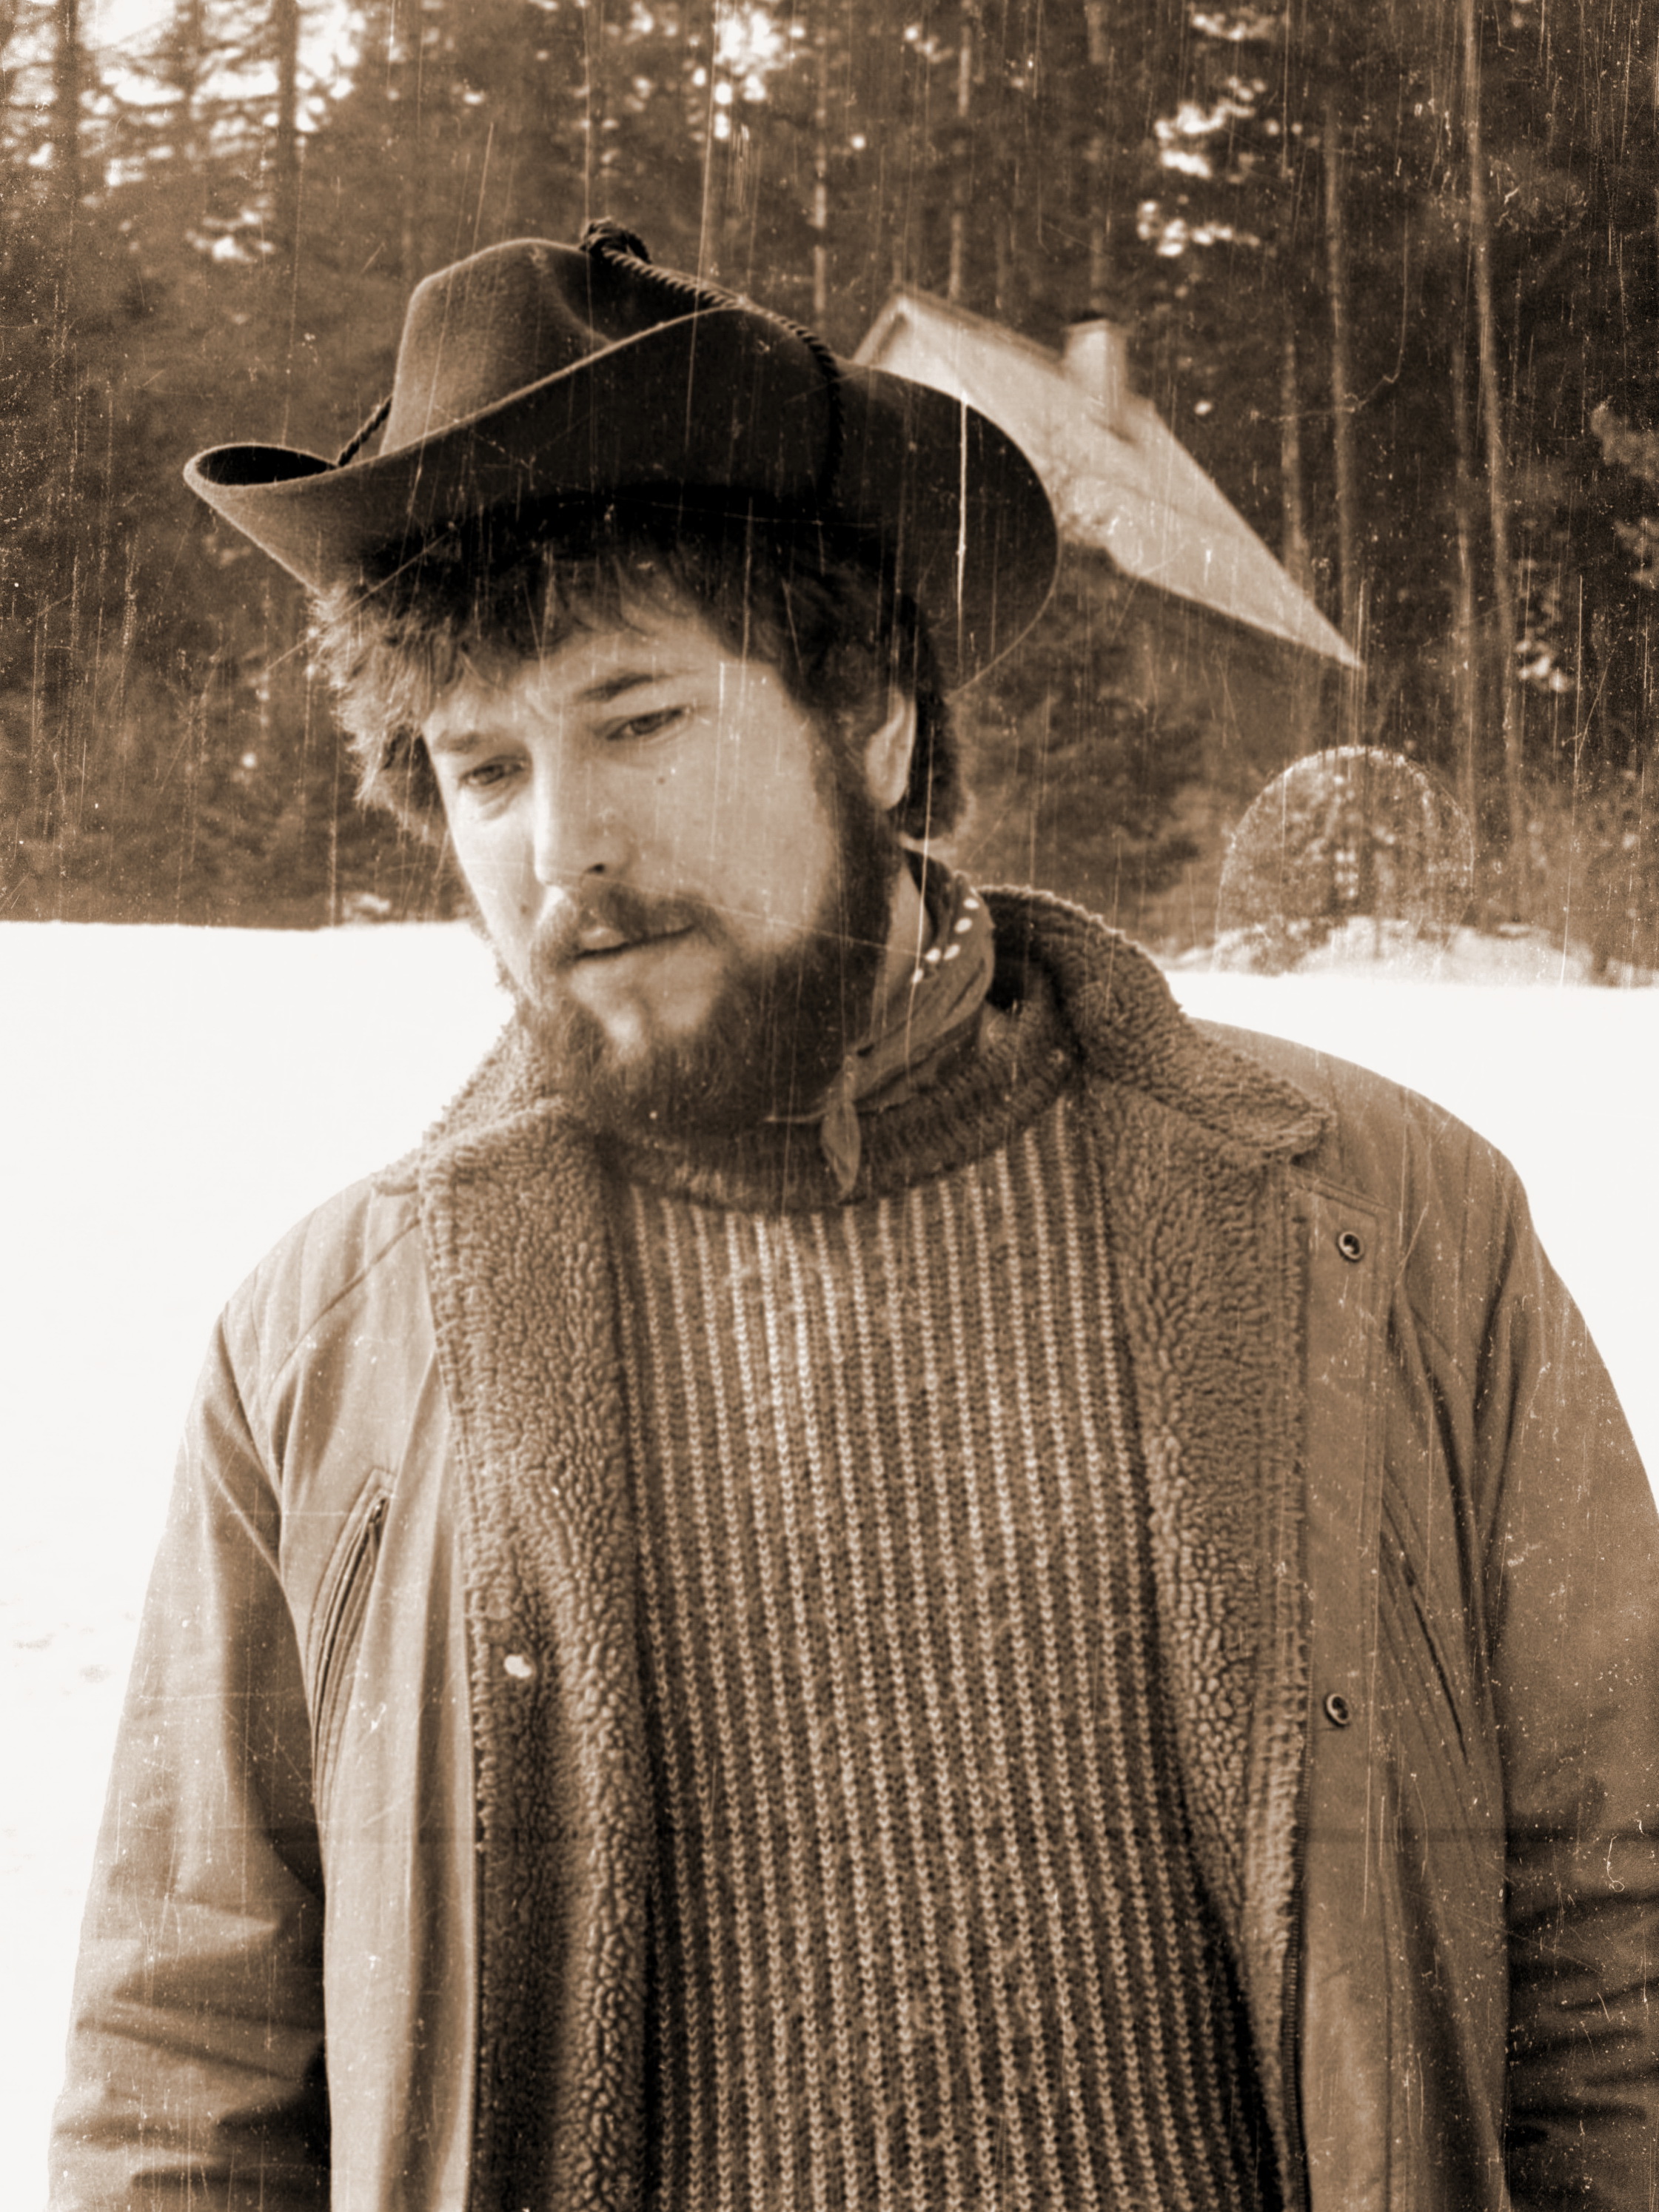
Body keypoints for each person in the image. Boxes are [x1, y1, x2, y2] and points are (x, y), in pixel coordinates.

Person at [50, 220, 1658, 2212]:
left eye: (639, 719)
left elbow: (1614, 1938)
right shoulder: (323, 1350)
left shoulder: (1389, 1221)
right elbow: (187, 2069)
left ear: (874, 719)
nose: (564, 848)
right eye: (483, 768)